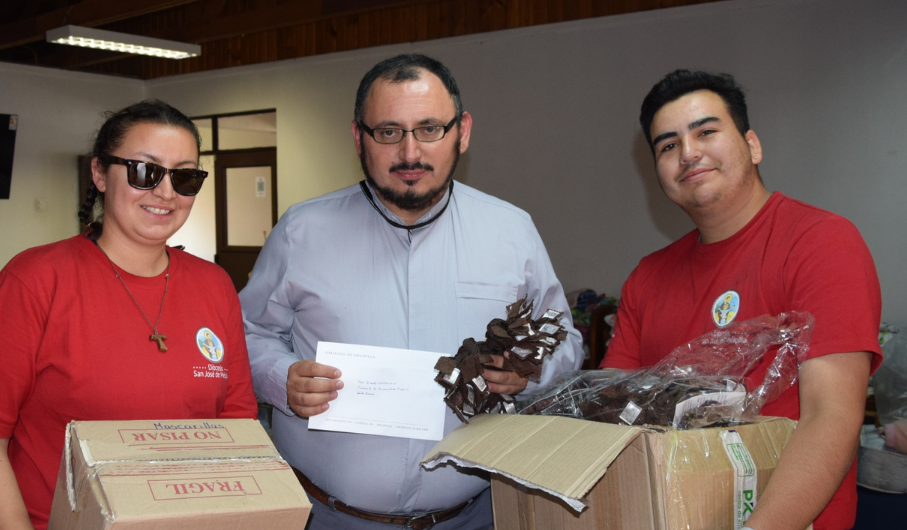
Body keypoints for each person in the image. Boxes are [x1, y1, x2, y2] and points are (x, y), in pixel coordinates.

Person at [241, 53, 582, 529]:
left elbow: (566, 341)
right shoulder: (302, 231)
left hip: (473, 518)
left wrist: (529, 369)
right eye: (388, 132)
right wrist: (281, 378)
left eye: (429, 129)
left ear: (462, 131)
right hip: (329, 518)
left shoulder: (511, 231)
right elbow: (247, 333)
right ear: (358, 137)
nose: (409, 153)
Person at [0, 100, 258, 530]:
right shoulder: (35, 280)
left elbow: (236, 427)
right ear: (100, 173)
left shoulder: (214, 286)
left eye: (184, 177)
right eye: (145, 171)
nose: (166, 193)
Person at [602, 70, 883, 530]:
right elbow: (613, 413)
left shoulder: (821, 242)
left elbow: (830, 416)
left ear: (752, 145)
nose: (688, 152)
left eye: (706, 132)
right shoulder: (646, 277)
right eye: (668, 145)